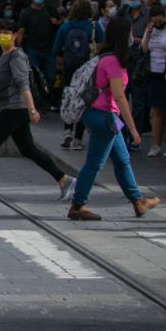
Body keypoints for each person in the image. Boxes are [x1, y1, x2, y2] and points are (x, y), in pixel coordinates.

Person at [0, 19, 77, 204]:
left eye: (7, 32)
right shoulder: (3, 58)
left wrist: (32, 110)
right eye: (0, 31)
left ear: (15, 35)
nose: (3, 35)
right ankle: (65, 180)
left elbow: (24, 85)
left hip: (15, 108)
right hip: (13, 108)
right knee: (28, 149)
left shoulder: (17, 57)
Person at [68, 18, 161, 220]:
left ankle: (138, 202)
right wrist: (134, 129)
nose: (131, 37)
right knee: (95, 163)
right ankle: (77, 205)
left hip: (102, 116)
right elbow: (119, 97)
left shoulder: (106, 57)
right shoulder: (114, 62)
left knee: (122, 160)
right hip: (104, 117)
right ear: (122, 36)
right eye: (129, 33)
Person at [53, 0, 104, 149]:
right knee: (84, 99)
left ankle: (67, 130)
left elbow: (56, 49)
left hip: (69, 67)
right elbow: (102, 46)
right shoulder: (94, 27)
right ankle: (78, 138)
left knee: (69, 95)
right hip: (87, 67)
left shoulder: (66, 26)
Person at [117, 0, 151, 149]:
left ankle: (134, 137)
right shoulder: (123, 12)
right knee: (119, 99)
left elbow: (152, 39)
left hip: (140, 63)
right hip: (122, 61)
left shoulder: (149, 14)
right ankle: (120, 135)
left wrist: (135, 40)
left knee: (138, 102)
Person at [16, 0, 61, 96]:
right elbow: (21, 32)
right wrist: (18, 48)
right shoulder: (26, 14)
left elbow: (61, 21)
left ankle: (47, 100)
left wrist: (56, 22)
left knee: (50, 77)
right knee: (34, 77)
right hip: (32, 50)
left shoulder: (50, 9)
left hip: (49, 50)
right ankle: (37, 102)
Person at [141, 5, 166, 157]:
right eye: (154, 22)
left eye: (160, 21)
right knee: (157, 110)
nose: (157, 24)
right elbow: (144, 49)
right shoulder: (150, 29)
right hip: (154, 72)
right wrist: (148, 34)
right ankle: (156, 145)